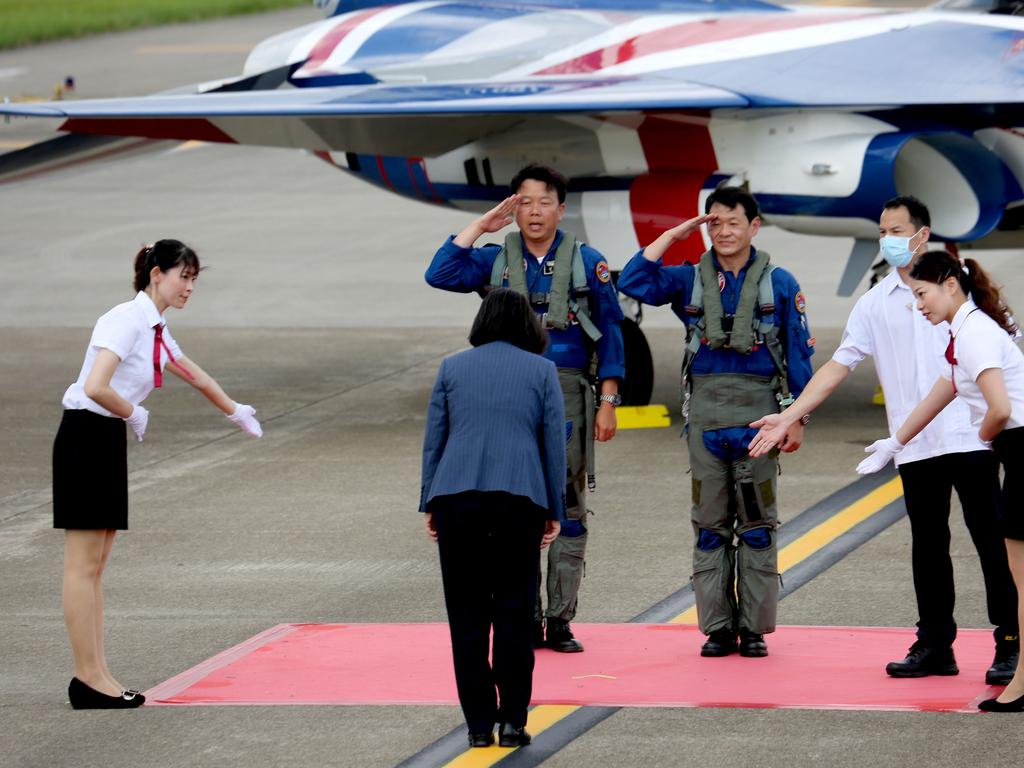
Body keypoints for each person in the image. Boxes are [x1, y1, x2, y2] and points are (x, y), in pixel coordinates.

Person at [748, 197, 1018, 685]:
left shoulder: (958, 292)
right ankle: (936, 644)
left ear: (921, 233)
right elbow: (838, 365)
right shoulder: (875, 302)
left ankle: (1012, 643)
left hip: (973, 439)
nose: (886, 239)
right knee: (927, 546)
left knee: (993, 543)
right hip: (914, 444)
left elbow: (995, 360)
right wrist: (791, 414)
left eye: (895, 229)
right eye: (881, 232)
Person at [54, 239, 263, 709]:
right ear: (156, 274)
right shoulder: (125, 320)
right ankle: (87, 678)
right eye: (182, 276)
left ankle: (97, 673)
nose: (189, 287)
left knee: (96, 566)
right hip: (87, 434)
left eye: (193, 279)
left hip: (104, 438)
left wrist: (235, 411)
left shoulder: (155, 327)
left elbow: (195, 374)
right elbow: (95, 385)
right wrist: (133, 412)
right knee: (82, 566)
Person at [425, 163, 624, 653]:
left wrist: (609, 401)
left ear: (561, 208)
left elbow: (612, 332)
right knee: (518, 504)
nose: (535, 212)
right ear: (514, 207)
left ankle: (559, 618)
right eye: (525, 202)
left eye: (544, 202)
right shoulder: (496, 260)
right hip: (505, 391)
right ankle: (523, 616)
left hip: (570, 389)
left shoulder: (588, 261)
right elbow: (439, 273)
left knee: (567, 506)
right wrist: (481, 227)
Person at [617, 186, 814, 658]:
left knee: (757, 525)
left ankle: (754, 630)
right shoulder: (688, 279)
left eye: (733, 222)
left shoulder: (780, 283)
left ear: (754, 226)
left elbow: (798, 351)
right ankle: (718, 629)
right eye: (714, 223)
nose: (724, 232)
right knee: (709, 528)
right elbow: (633, 281)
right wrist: (675, 234)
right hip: (706, 416)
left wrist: (797, 417)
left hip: (761, 418)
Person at [851, 249, 1024, 712]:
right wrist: (896, 440)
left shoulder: (974, 334)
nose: (918, 305)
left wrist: (988, 438)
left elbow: (1000, 409)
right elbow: (946, 388)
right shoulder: (962, 329)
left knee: (1017, 572)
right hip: (1009, 448)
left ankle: (1018, 671)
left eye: (922, 294)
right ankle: (1016, 680)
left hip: (1017, 449)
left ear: (950, 284)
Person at [420, 288, 565, 746]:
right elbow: (553, 447)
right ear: (527, 325)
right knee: (514, 610)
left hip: (455, 497)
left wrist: (430, 501)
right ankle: (512, 721)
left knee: (465, 615)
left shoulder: (452, 367)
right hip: (518, 498)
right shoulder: (542, 371)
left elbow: (434, 441)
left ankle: (478, 725)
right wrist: (553, 509)